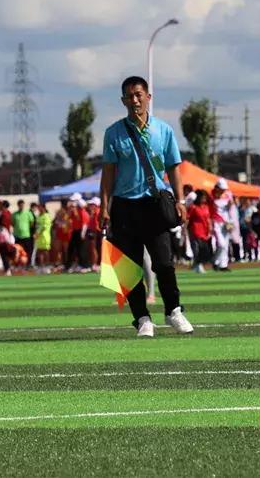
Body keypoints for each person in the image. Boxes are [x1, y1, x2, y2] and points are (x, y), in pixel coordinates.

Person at [99, 76, 193, 338]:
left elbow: (174, 168)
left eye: (139, 94)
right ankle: (142, 318)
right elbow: (107, 173)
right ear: (123, 101)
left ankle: (173, 310)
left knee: (164, 263)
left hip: (155, 204)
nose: (135, 100)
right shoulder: (113, 133)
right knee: (129, 269)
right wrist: (104, 207)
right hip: (125, 208)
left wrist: (181, 200)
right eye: (129, 96)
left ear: (148, 97)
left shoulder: (163, 130)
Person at [187, 190, 215, 274]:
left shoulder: (206, 207)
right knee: (198, 249)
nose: (204, 199)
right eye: (203, 197)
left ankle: (196, 264)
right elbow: (188, 218)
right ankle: (198, 265)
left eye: (205, 197)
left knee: (205, 250)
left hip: (205, 231)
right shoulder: (193, 207)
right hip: (195, 230)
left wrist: (210, 228)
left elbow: (208, 218)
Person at [12, 200, 35, 268]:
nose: (21, 206)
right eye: (20, 205)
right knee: (17, 251)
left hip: (26, 235)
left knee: (28, 251)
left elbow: (32, 223)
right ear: (18, 205)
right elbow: (13, 223)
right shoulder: (14, 214)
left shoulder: (28, 213)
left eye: (22, 205)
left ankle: (28, 264)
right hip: (17, 236)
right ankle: (18, 264)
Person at [32, 203, 53, 272]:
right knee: (39, 252)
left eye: (40, 207)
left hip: (44, 237)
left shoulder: (46, 216)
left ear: (43, 208)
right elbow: (37, 226)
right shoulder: (39, 216)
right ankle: (41, 266)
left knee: (45, 251)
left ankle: (47, 266)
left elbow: (44, 227)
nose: (39, 209)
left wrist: (37, 234)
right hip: (39, 237)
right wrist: (36, 233)